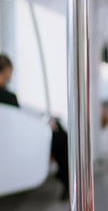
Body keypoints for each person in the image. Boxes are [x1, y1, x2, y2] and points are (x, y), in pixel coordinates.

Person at [0, 53, 70, 200]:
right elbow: (19, 121)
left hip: (13, 138)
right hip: (17, 140)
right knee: (60, 137)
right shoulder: (7, 96)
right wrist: (44, 125)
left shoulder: (6, 95)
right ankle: (67, 180)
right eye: (8, 74)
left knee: (57, 132)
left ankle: (65, 177)